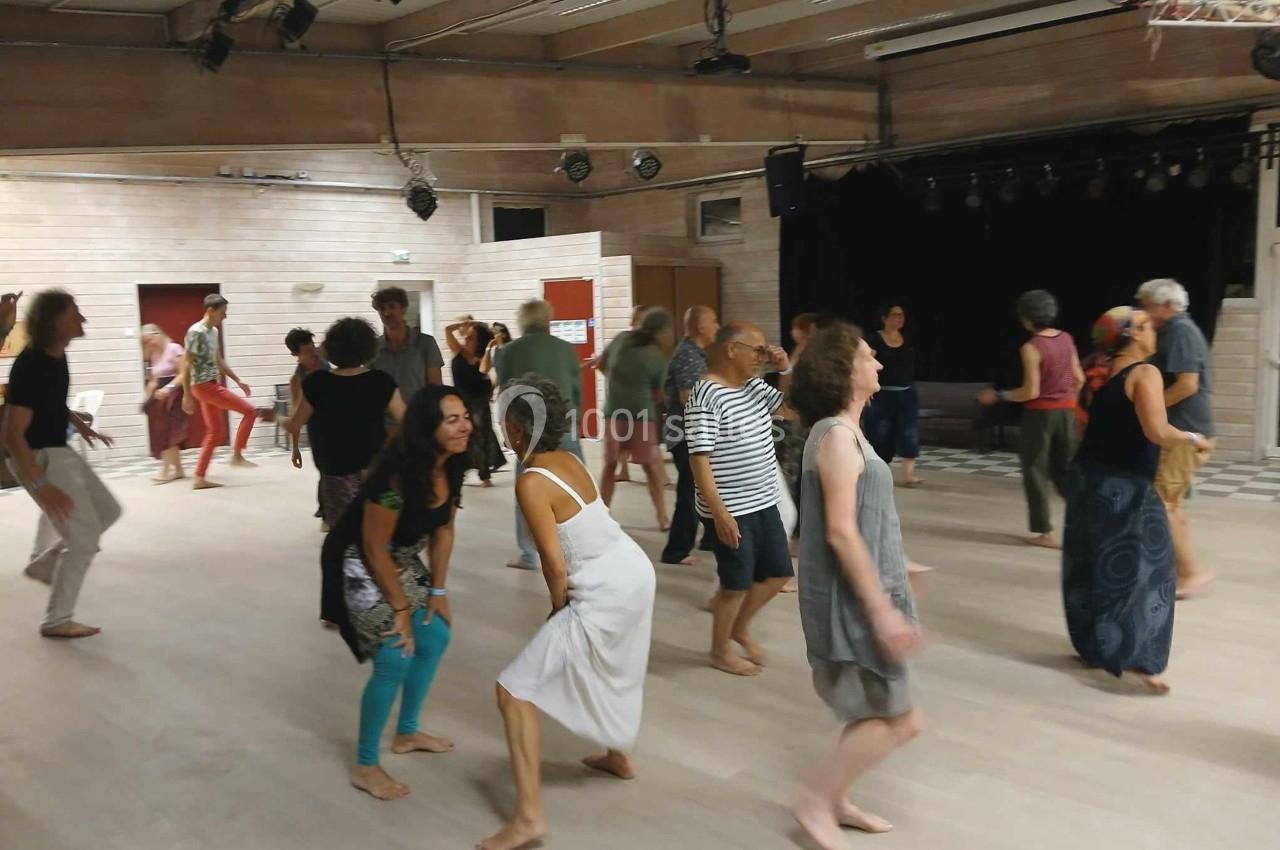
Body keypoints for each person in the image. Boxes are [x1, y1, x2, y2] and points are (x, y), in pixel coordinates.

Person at [477, 376, 656, 850]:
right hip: (633, 569)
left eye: (503, 422)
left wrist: (559, 611)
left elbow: (554, 563)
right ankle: (619, 756)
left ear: (516, 428)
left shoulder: (532, 482)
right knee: (613, 659)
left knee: (512, 692)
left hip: (604, 586)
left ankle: (529, 818)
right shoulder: (571, 459)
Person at [787, 321, 924, 847]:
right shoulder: (838, 439)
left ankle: (835, 799)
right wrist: (883, 611)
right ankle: (813, 800)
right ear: (845, 371)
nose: (880, 364)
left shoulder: (846, 431)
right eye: (870, 356)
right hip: (857, 604)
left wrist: (900, 561)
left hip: (871, 591)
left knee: (874, 710)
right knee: (902, 719)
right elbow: (841, 533)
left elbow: (866, 519)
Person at [319, 386, 473, 801]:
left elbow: (443, 529)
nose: (465, 426)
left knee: (435, 634)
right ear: (428, 428)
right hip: (356, 558)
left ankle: (406, 733)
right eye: (452, 419)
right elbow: (371, 547)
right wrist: (400, 608)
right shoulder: (394, 478)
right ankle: (366, 765)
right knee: (394, 653)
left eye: (465, 417)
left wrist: (438, 590)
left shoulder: (452, 464)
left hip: (398, 555)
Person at [1063, 307, 1211, 694]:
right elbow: (1158, 431)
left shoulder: (1098, 373)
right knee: (1149, 568)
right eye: (1146, 326)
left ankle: (1094, 647)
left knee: (1089, 563)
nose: (1153, 331)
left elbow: (1083, 424)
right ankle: (1141, 658)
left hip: (1086, 477)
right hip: (1124, 483)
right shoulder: (1145, 372)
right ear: (1132, 335)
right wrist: (1194, 439)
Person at [2, 290, 122, 639]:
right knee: (84, 539)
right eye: (75, 313)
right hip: (39, 456)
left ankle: (44, 564)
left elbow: (51, 401)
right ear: (55, 321)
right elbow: (12, 435)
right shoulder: (31, 364)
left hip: (59, 450)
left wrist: (83, 427)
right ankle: (56, 619)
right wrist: (40, 484)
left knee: (108, 511)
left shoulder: (57, 356)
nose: (82, 319)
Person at [684, 322, 794, 676]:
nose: (762, 357)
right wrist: (720, 515)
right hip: (731, 508)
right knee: (735, 584)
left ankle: (739, 627)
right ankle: (719, 651)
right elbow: (698, 460)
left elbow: (789, 410)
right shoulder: (705, 396)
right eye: (757, 350)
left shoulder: (752, 386)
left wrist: (784, 370)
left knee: (777, 574)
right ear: (733, 349)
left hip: (764, 499)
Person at [978, 290, 1084, 548]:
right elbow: (1079, 378)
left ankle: (1044, 532)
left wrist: (1000, 395)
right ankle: (1091, 519)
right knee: (1066, 469)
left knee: (1035, 470)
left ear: (1026, 319)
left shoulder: (1032, 347)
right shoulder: (1067, 339)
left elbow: (1030, 391)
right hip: (1067, 410)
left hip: (1040, 416)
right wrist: (1070, 404)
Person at [284, 317, 407, 529]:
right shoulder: (381, 381)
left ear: (331, 348)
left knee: (344, 532)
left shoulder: (317, 383)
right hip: (379, 469)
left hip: (336, 472)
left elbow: (294, 424)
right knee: (387, 526)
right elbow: (408, 421)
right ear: (369, 348)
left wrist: (274, 417)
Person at [1137, 278, 1217, 599]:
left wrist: (1151, 408)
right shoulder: (1173, 330)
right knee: (1171, 504)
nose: (1142, 309)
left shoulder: (1180, 330)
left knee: (1162, 504)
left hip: (1185, 430)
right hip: (1185, 429)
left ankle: (1190, 572)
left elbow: (1187, 384)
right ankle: (1178, 568)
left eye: (1146, 303)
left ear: (1166, 305)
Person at [494, 299, 584, 570]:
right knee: (576, 481)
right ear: (548, 319)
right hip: (564, 423)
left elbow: (505, 394)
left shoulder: (507, 352)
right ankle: (579, 544)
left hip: (528, 429)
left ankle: (530, 552)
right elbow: (577, 390)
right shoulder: (567, 349)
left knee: (528, 488)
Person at [178, 293, 272, 490]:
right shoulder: (196, 332)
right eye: (223, 313)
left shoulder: (213, 332)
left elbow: (218, 360)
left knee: (216, 432)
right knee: (250, 411)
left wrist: (238, 381)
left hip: (212, 383)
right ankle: (237, 455)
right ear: (210, 311)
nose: (225, 317)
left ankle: (199, 478)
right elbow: (186, 364)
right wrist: (187, 395)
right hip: (203, 385)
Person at [600, 308, 671, 530]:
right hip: (642, 415)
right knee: (650, 467)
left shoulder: (621, 339)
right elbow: (660, 394)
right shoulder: (657, 355)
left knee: (610, 465)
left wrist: (617, 384)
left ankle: (602, 515)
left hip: (614, 412)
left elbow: (601, 364)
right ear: (660, 331)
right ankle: (662, 517)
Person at [659, 305, 719, 566]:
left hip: (692, 432)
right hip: (687, 433)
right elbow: (688, 397)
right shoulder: (688, 356)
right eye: (714, 322)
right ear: (701, 327)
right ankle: (676, 550)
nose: (717, 327)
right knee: (691, 492)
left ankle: (711, 538)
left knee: (704, 488)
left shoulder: (696, 353)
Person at [588, 304, 651, 483]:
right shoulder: (626, 339)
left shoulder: (642, 342)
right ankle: (625, 471)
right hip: (625, 399)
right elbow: (600, 363)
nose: (633, 320)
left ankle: (657, 476)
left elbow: (601, 363)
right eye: (634, 317)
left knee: (643, 440)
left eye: (636, 317)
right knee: (626, 439)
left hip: (636, 399)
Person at [865, 302, 923, 487]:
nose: (899, 318)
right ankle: (880, 474)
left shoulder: (909, 338)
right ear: (884, 318)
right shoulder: (874, 339)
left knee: (909, 434)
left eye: (902, 315)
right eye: (895, 315)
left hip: (906, 394)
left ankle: (909, 475)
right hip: (882, 396)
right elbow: (865, 363)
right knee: (880, 435)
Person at [445, 318, 506, 486]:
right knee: (464, 435)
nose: (465, 339)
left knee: (482, 436)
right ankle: (463, 471)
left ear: (479, 342)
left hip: (479, 400)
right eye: (467, 336)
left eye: (471, 338)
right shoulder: (459, 352)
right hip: (463, 401)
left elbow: (492, 376)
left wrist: (492, 390)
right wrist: (465, 323)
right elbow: (448, 330)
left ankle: (484, 474)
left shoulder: (481, 358)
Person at [371, 286, 444, 419]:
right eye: (382, 309)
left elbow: (435, 387)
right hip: (384, 423)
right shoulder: (374, 348)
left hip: (419, 419)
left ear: (404, 309)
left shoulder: (425, 343)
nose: (387, 313)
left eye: (392, 306)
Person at [285, 327, 330, 526]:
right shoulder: (297, 380)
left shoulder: (326, 362)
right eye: (307, 351)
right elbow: (295, 416)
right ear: (296, 355)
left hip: (339, 420)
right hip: (317, 426)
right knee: (325, 469)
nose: (313, 354)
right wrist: (295, 449)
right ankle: (326, 512)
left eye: (313, 347)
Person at [140, 323, 189, 484]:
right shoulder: (154, 354)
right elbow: (154, 380)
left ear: (157, 334)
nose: (148, 345)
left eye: (149, 340)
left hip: (175, 393)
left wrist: (168, 388)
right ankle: (179, 470)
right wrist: (147, 399)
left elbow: (184, 374)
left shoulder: (174, 348)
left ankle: (165, 470)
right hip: (160, 396)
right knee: (166, 433)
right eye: (145, 342)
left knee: (168, 434)